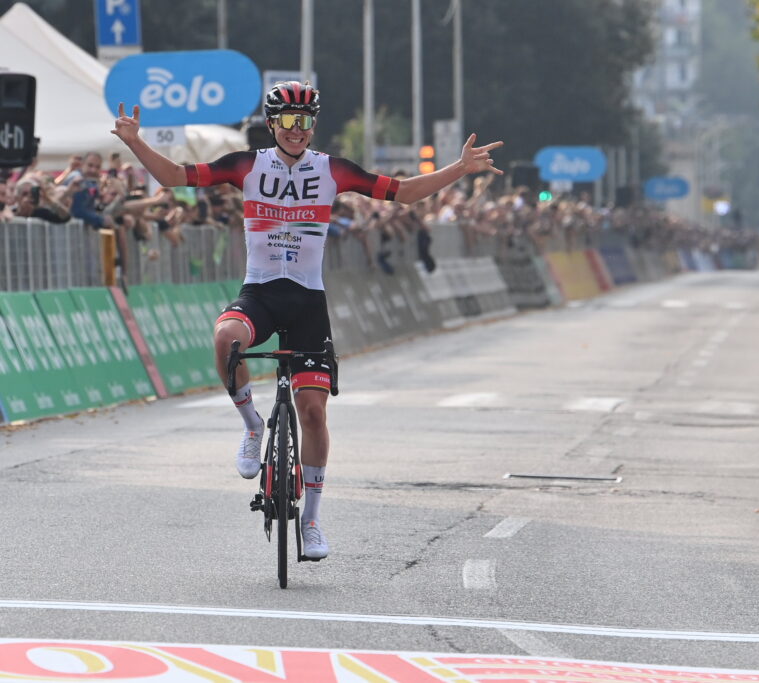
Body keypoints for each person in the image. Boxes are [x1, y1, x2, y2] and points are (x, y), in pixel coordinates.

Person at [111, 81, 503, 559]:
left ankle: (312, 521)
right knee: (225, 337)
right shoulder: (246, 164)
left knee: (313, 413)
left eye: (306, 121)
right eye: (289, 121)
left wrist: (459, 169)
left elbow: (402, 193)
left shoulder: (332, 169)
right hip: (260, 292)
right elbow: (175, 176)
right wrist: (135, 142)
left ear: (314, 125)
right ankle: (253, 426)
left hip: (307, 301)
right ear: (273, 123)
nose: (298, 130)